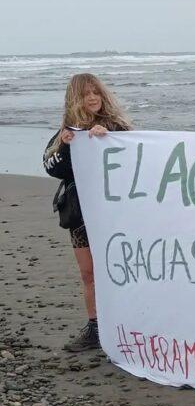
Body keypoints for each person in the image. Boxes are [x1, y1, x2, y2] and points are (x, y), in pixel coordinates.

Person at [43, 73, 132, 351]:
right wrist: (70, 144)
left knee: (120, 269)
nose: (92, 98)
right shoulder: (66, 133)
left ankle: (128, 323)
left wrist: (107, 138)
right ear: (75, 99)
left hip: (116, 214)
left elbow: (137, 157)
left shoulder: (117, 127)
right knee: (89, 273)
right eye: (85, 94)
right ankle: (95, 328)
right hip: (80, 215)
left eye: (95, 92)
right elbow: (50, 167)